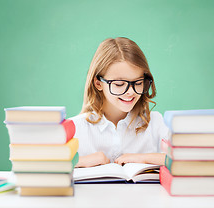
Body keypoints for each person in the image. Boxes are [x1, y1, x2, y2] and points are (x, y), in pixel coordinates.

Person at [71, 37, 169, 168]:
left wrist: (143, 158)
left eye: (138, 83)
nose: (130, 92)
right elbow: (44, 165)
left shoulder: (156, 123)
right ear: (98, 83)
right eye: (119, 84)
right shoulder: (76, 128)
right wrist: (80, 161)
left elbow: (184, 159)